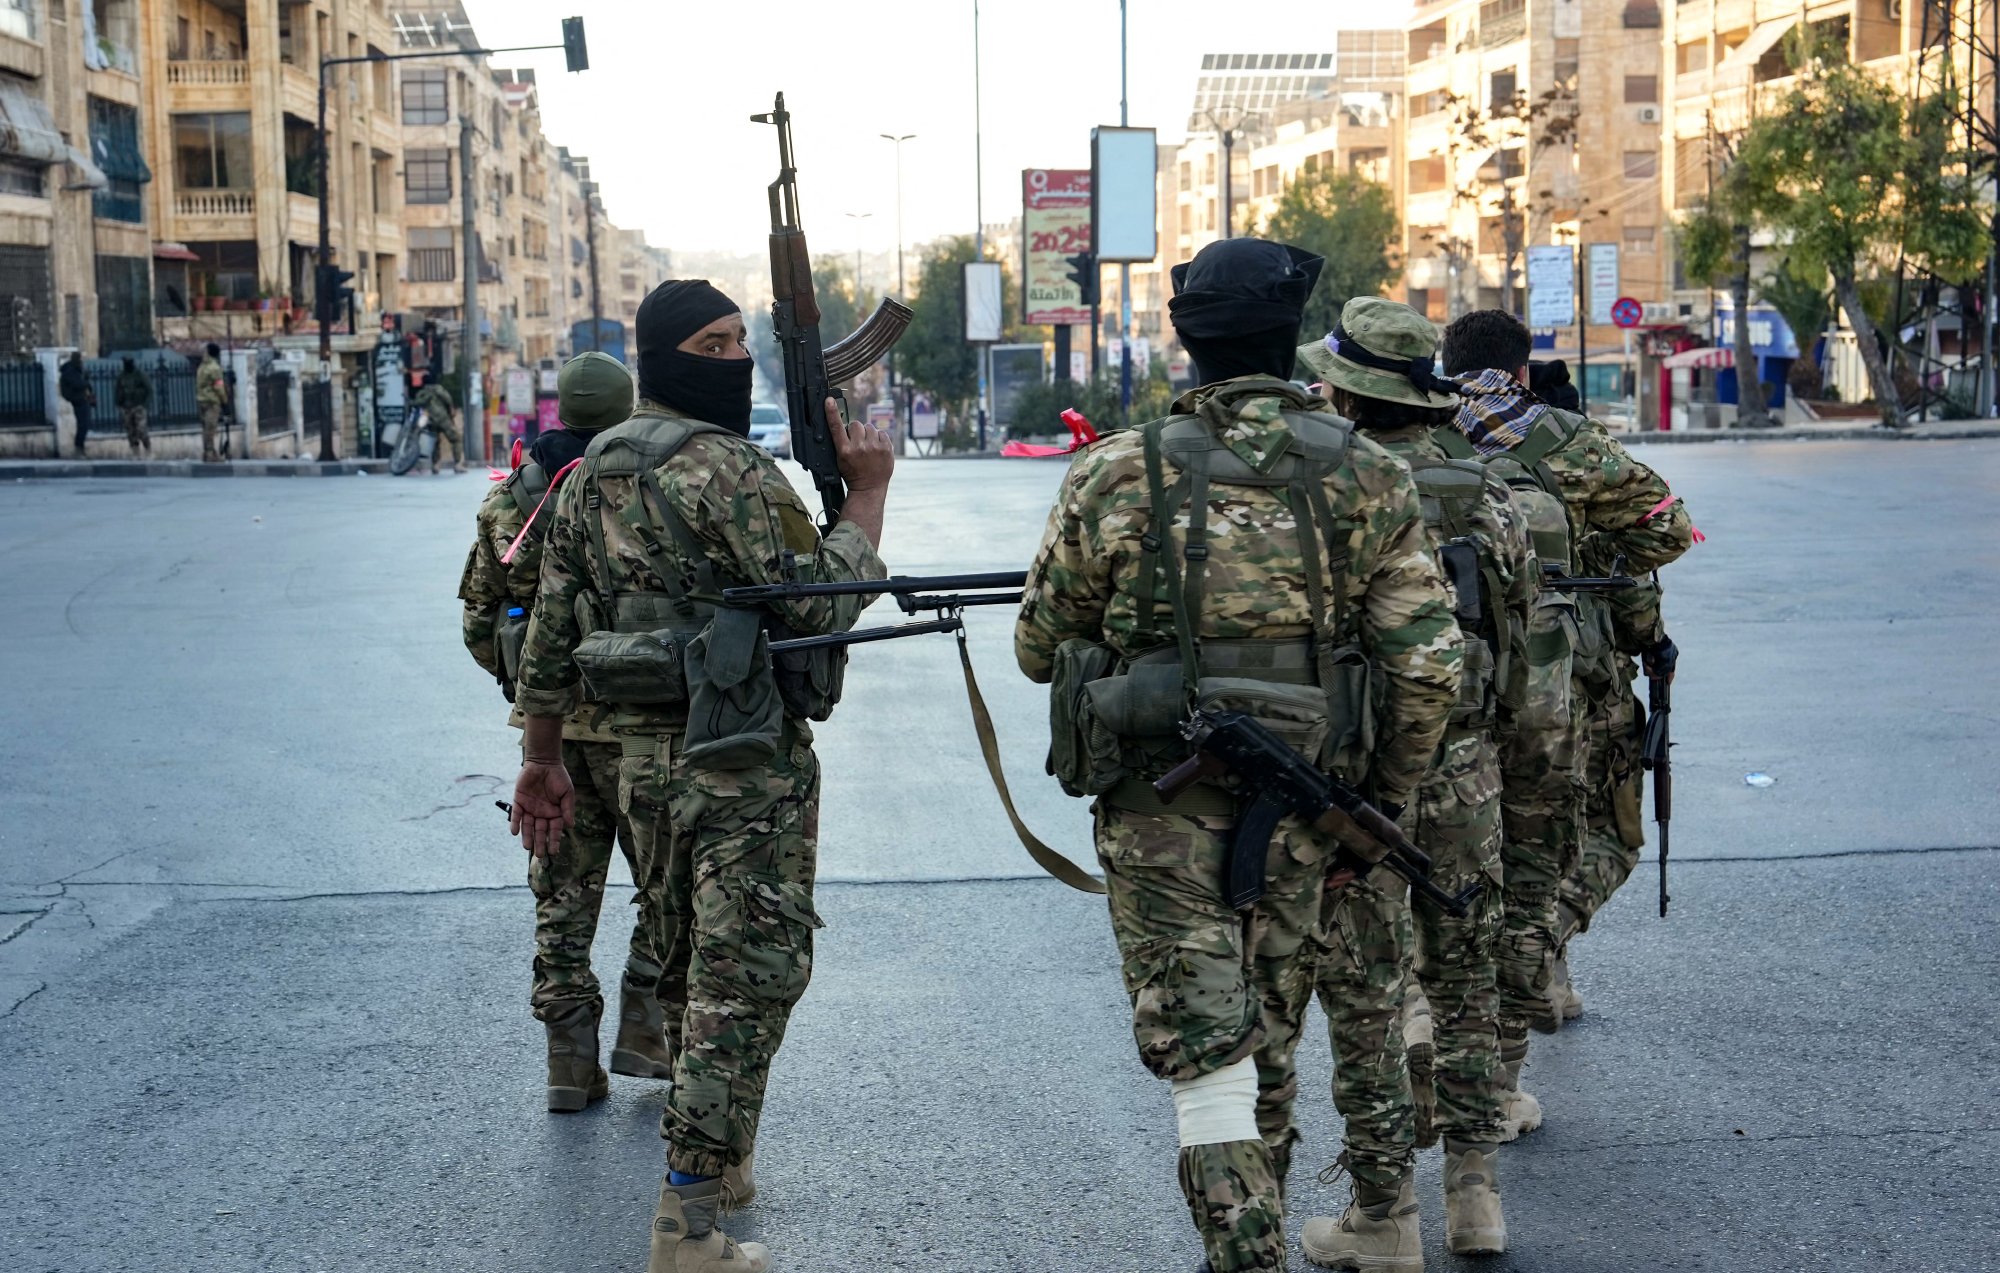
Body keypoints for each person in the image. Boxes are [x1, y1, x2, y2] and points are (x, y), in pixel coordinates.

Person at [1015, 240, 1461, 1273]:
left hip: (1158, 818)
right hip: (1313, 807)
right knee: (1262, 1026)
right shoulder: (1366, 470)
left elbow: (1040, 645)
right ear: (1288, 341)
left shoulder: (1117, 470)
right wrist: (1375, 803)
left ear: (1185, 339)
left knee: (1206, 1048)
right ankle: (1253, 1232)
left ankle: (1243, 1251)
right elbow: (1427, 666)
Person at [508, 279, 895, 1273]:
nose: (734, 358)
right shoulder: (732, 473)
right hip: (741, 772)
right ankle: (688, 1219)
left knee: (690, 958)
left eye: (737, 340)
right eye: (712, 345)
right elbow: (819, 611)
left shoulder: (593, 468)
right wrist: (866, 496)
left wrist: (544, 758)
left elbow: (550, 632)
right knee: (746, 975)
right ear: (669, 356)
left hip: (642, 770)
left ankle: (715, 1172)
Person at [1295, 298, 1537, 1263]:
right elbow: (1522, 640)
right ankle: (1476, 1196)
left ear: (1349, 395)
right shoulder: (1492, 492)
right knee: (1467, 977)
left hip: (1360, 778)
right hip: (1469, 769)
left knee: (1363, 990)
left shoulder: (1337, 493)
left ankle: (1383, 1213)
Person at [1438, 309, 1693, 1137]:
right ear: (1520, 368)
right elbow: (1664, 530)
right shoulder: (1562, 439)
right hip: (1560, 688)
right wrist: (1587, 560)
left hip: (1433, 686)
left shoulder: (1410, 431)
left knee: (1436, 869)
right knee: (1599, 840)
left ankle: (1426, 1016)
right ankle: (1531, 976)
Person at [459, 351, 682, 1112]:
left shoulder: (509, 501)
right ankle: (647, 1035)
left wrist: (523, 686)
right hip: (641, 728)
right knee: (665, 885)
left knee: (561, 896)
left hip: (548, 740)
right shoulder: (639, 490)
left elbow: (475, 619)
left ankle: (568, 1063)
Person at [413, 374, 463, 474]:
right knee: (455, 439)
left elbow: (417, 404)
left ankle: (435, 465)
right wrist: (451, 411)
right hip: (442, 418)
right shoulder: (438, 389)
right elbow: (447, 399)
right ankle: (458, 464)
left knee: (435, 442)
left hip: (430, 420)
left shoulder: (422, 392)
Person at [195, 343, 227, 463]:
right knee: (210, 429)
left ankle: (208, 453)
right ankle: (210, 454)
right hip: (212, 402)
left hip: (201, 400)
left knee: (205, 429)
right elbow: (219, 386)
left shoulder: (201, 366)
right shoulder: (215, 368)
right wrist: (224, 401)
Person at [59, 351, 94, 457]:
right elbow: (77, 384)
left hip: (81, 399)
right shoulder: (70, 371)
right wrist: (86, 381)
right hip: (78, 400)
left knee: (84, 424)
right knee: (83, 425)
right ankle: (78, 449)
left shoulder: (75, 370)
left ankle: (80, 448)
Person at [115, 357, 152, 457]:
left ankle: (148, 450)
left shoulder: (139, 375)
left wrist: (145, 404)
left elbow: (149, 389)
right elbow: (118, 391)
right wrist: (119, 404)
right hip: (126, 407)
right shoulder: (122, 376)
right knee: (131, 432)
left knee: (141, 430)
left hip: (138, 406)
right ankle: (136, 453)